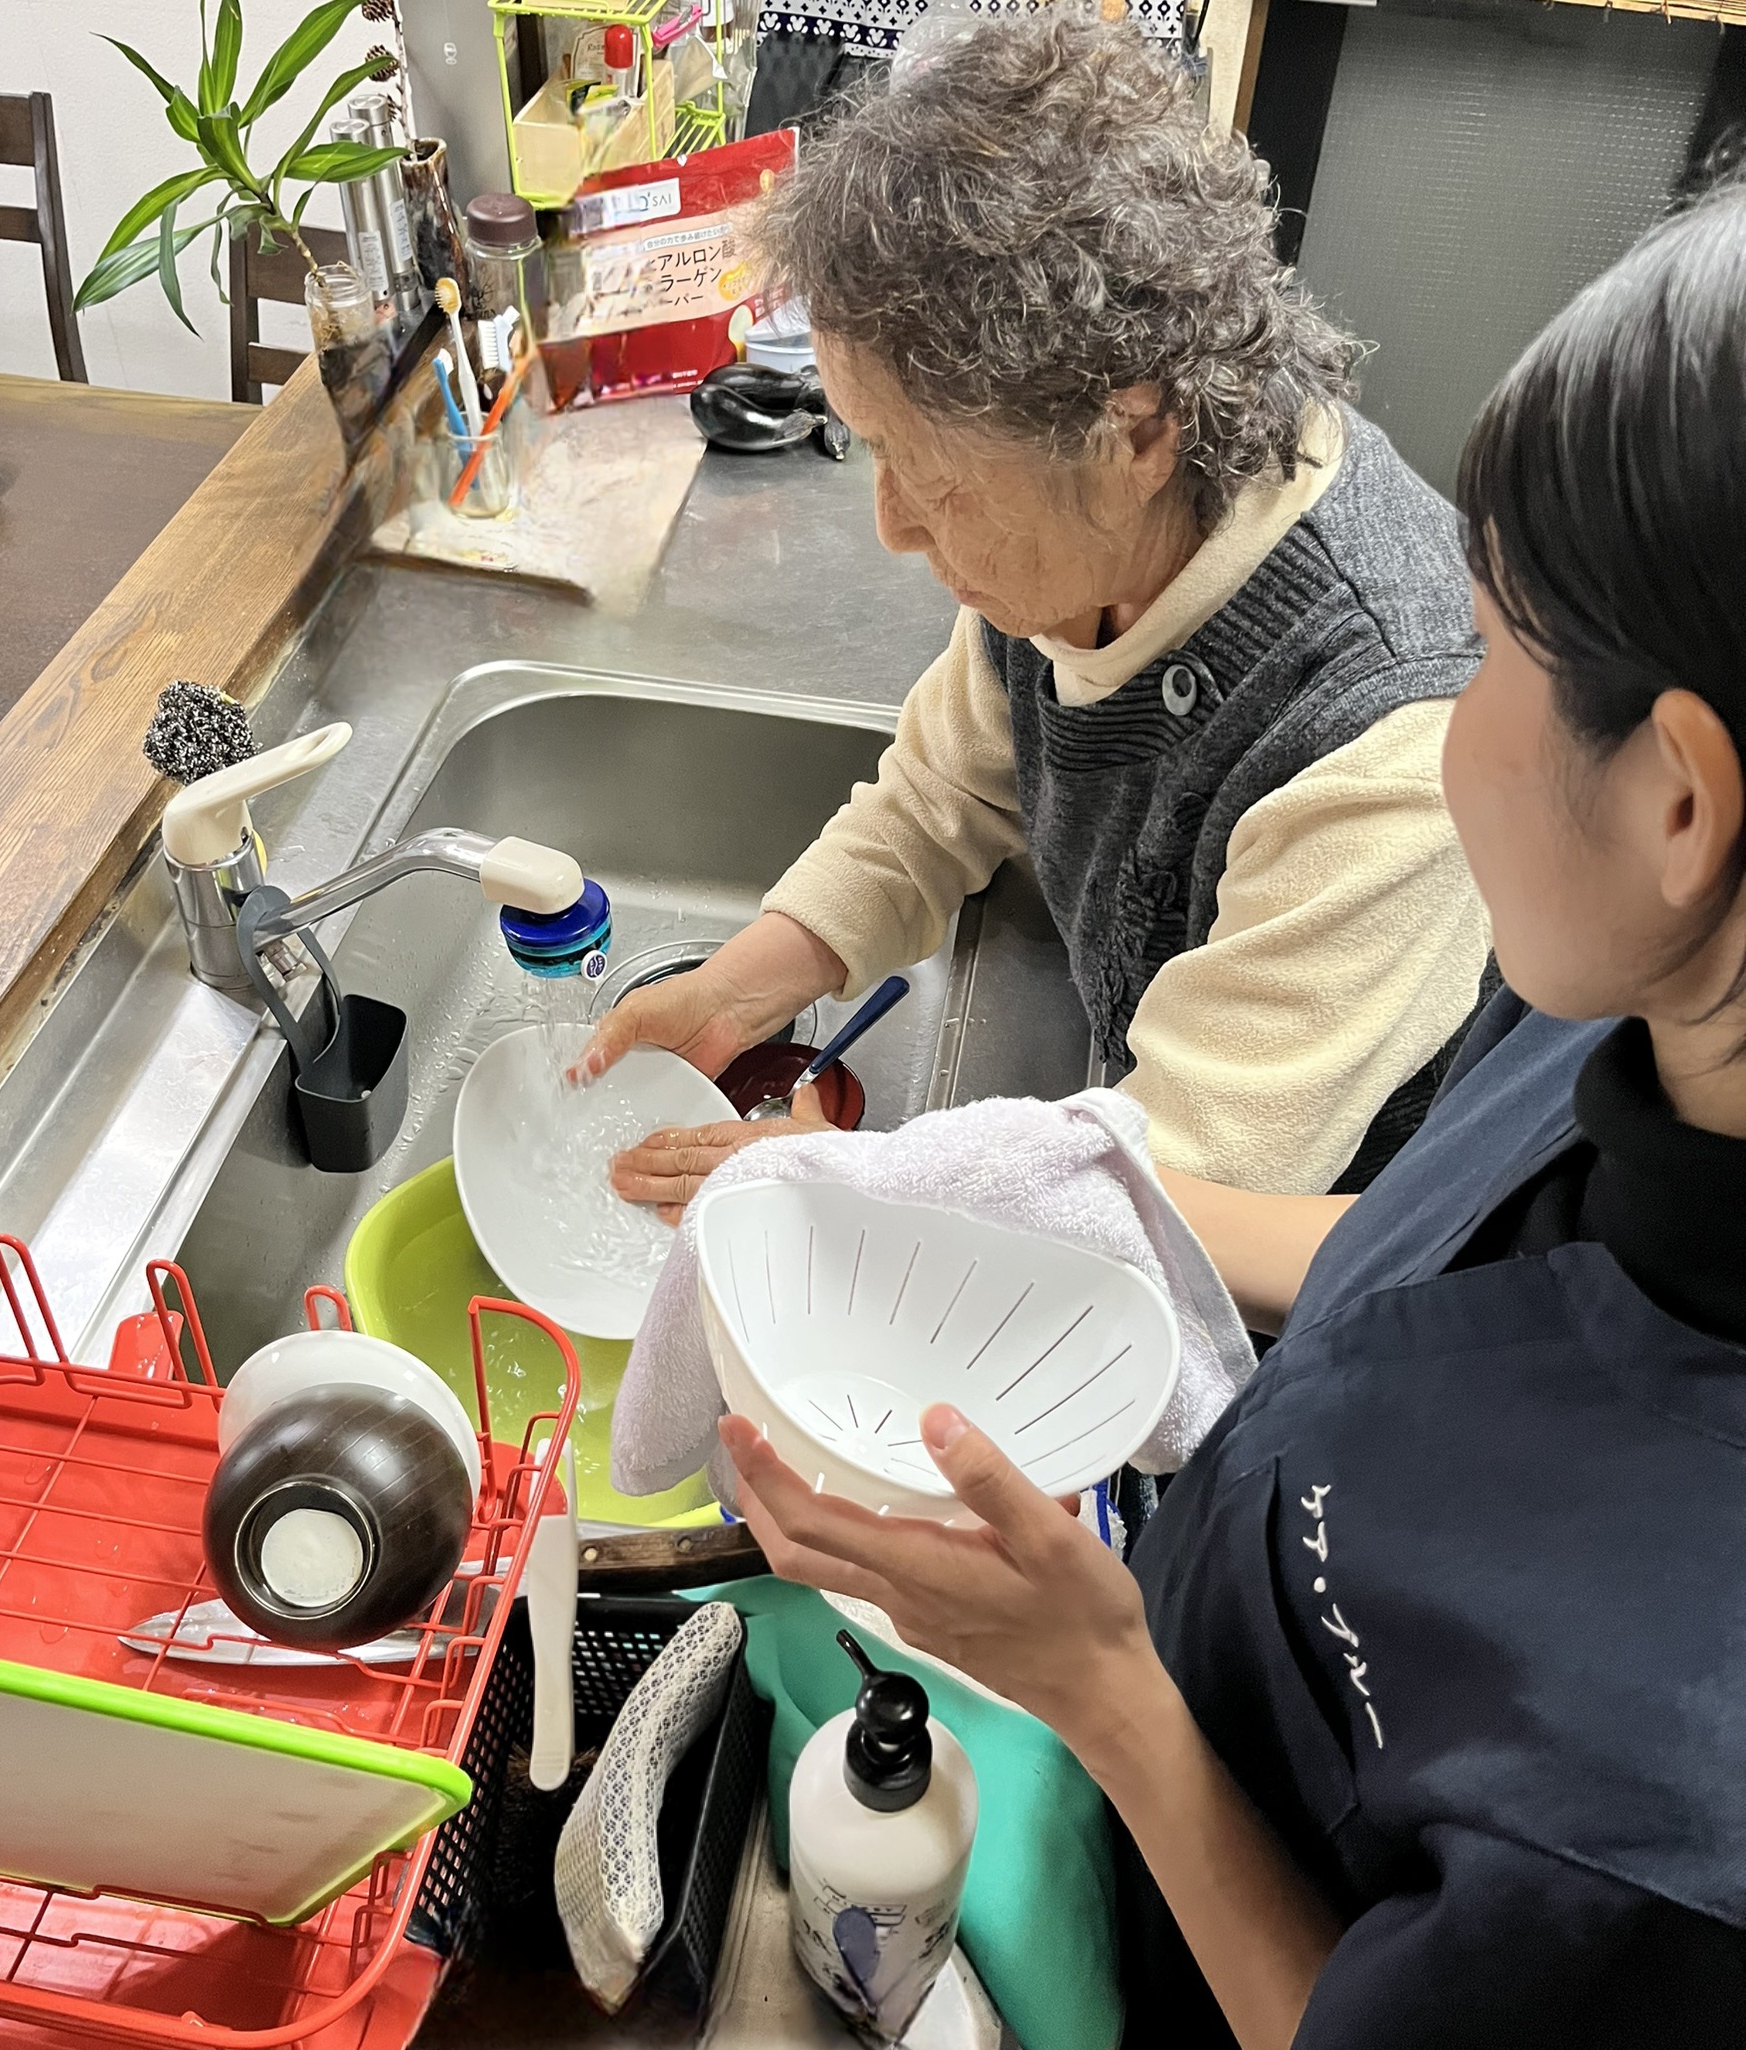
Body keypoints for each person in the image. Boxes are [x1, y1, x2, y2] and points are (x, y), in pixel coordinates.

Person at [717, 181, 1746, 2047]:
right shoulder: (1628, 1015)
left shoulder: (1666, 1827)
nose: (1447, 716)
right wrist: (948, 1170)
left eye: (1497, 655)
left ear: (1678, 800)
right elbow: (1403, 1262)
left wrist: (1104, 1689)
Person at [581, 15, 1490, 1218]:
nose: (892, 527)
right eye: (875, 451)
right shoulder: (1076, 537)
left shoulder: (1391, 745)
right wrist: (739, 989)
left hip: (1307, 1263)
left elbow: (1173, 1194)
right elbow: (943, 795)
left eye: (934, 476)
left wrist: (848, 1188)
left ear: (1135, 434)